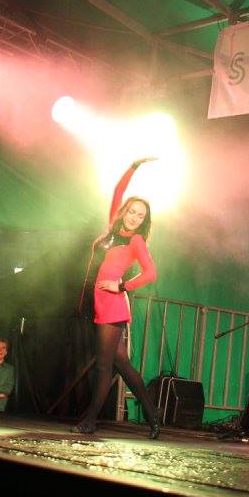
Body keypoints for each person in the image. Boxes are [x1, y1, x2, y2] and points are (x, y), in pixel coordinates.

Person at [70, 158, 161, 437]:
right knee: (122, 363)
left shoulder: (136, 241)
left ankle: (90, 421)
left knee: (103, 365)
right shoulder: (113, 226)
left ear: (144, 221)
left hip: (113, 304)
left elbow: (151, 273)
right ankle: (153, 416)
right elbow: (118, 191)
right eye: (132, 211)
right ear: (125, 211)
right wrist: (134, 166)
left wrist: (121, 287)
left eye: (140, 216)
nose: (134, 217)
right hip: (98, 301)